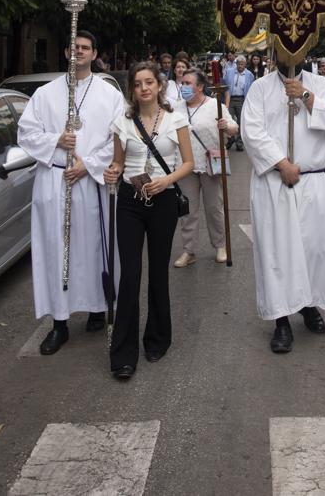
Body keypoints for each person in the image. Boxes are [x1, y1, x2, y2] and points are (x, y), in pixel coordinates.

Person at [17, 31, 124, 355]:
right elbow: (26, 132)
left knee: (92, 249)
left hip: (90, 182)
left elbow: (118, 138)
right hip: (55, 181)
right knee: (57, 252)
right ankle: (59, 323)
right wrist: (55, 142)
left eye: (85, 48)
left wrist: (88, 164)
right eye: (73, 47)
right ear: (65, 52)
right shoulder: (45, 94)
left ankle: (95, 307)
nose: (78, 51)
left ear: (94, 54)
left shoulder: (109, 95)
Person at [241, 58, 325, 353]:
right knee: (278, 252)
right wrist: (281, 162)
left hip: (311, 183)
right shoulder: (259, 89)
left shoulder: (321, 85)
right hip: (275, 182)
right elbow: (252, 132)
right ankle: (281, 320)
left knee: (313, 250)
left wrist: (306, 97)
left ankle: (308, 306)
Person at [103, 62, 194, 379]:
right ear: (132, 90)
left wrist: (166, 181)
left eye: (149, 82)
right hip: (129, 201)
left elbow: (188, 163)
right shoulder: (122, 122)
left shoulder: (175, 119)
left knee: (158, 270)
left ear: (159, 86)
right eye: (138, 83)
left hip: (163, 200)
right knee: (129, 274)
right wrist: (112, 172)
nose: (143, 88)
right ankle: (123, 353)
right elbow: (117, 163)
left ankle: (157, 338)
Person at [173, 68, 238, 268]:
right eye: (182, 83)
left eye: (187, 83)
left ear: (200, 87)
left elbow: (234, 128)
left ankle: (220, 246)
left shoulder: (214, 106)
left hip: (210, 165)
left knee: (213, 208)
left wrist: (225, 126)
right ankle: (188, 250)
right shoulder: (176, 108)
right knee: (188, 211)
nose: (183, 87)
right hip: (184, 166)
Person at [223, 55, 254, 150]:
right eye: (238, 64)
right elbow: (224, 85)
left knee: (241, 121)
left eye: (242, 64)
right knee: (229, 120)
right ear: (236, 64)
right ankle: (231, 138)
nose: (240, 66)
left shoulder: (249, 75)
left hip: (241, 100)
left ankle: (239, 142)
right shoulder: (229, 72)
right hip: (230, 99)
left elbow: (250, 89)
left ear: (245, 65)